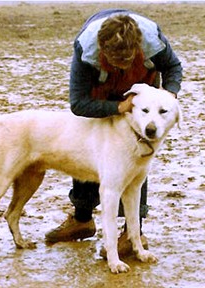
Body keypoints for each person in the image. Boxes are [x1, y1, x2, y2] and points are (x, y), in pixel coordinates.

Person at [45, 9, 182, 257]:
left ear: (138, 46)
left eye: (128, 61)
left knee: (138, 153)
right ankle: (82, 219)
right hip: (102, 94)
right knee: (87, 150)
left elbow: (173, 67)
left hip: (144, 98)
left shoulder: (154, 41)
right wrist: (118, 107)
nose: (123, 67)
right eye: (117, 63)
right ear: (102, 50)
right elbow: (78, 104)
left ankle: (132, 234)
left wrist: (167, 96)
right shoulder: (85, 50)